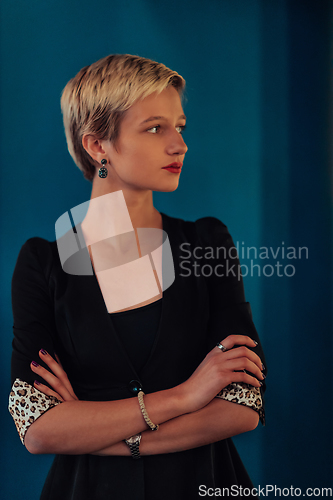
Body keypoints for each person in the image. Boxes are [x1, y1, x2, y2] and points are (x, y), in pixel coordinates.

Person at [8, 54, 267, 500]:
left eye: (179, 126)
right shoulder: (42, 262)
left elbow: (243, 405)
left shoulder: (207, 241)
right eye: (154, 128)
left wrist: (93, 427)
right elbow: (37, 428)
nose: (179, 145)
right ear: (97, 146)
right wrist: (184, 397)